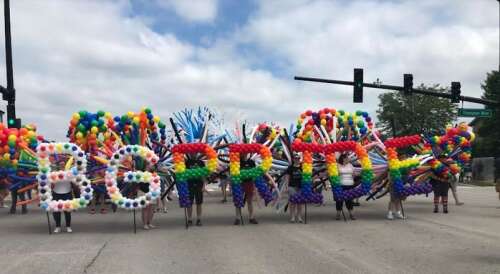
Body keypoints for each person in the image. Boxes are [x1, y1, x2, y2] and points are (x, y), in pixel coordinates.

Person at [234, 154, 275, 225]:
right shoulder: (237, 162)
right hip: (239, 182)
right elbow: (234, 172)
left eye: (246, 152)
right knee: (238, 200)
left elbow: (255, 172)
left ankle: (251, 217)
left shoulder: (251, 162)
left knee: (249, 201)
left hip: (249, 182)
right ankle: (237, 218)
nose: (245, 154)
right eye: (243, 152)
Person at [335, 154, 356, 220]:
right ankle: (338, 214)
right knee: (339, 200)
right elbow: (335, 175)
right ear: (343, 159)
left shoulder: (350, 165)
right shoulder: (337, 165)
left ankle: (351, 214)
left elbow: (354, 174)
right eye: (347, 158)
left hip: (350, 185)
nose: (348, 159)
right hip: (340, 185)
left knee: (349, 200)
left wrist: (354, 176)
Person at [186, 158, 206, 226]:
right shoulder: (187, 162)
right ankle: (189, 219)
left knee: (199, 203)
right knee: (189, 203)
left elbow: (203, 174)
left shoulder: (200, 162)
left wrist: (204, 186)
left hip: (199, 184)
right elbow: (184, 174)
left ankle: (199, 219)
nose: (193, 153)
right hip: (190, 184)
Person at [287, 153, 303, 223]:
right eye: (296, 159)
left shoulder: (302, 167)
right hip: (292, 186)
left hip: (300, 186)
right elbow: (287, 177)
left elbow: (306, 176)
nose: (297, 160)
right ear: (293, 159)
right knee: (292, 202)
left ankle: (299, 216)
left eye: (298, 159)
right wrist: (287, 186)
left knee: (300, 202)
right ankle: (292, 217)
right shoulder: (290, 167)